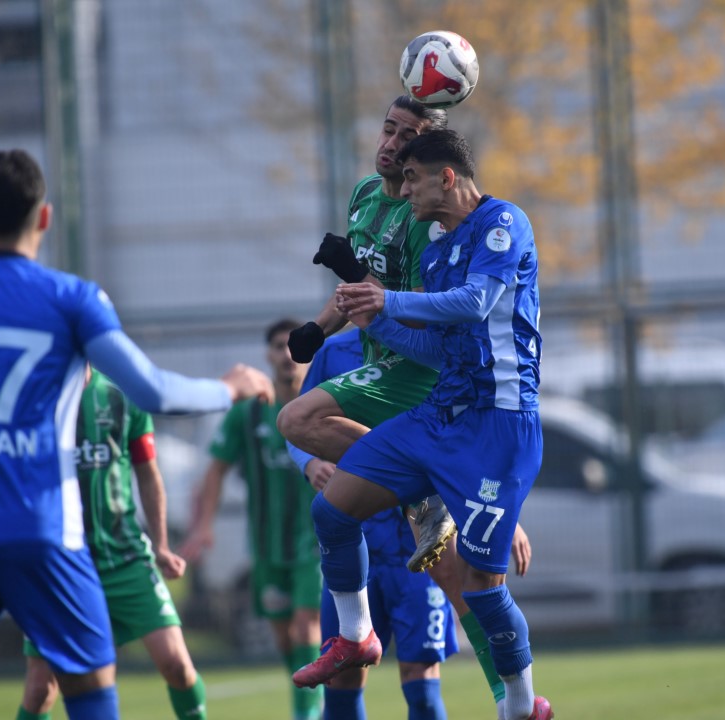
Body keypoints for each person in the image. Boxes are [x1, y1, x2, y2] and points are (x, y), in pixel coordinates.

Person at [0, 149, 273, 720]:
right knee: (89, 690)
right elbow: (154, 392)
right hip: (41, 534)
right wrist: (228, 387)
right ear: (44, 218)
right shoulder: (70, 298)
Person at [277, 95, 534, 717]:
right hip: (422, 397)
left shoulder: (476, 226)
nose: (392, 147)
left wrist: (383, 303)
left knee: (474, 589)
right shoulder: (377, 202)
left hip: (478, 413)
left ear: (437, 171)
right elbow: (382, 304)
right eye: (388, 131)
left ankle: (519, 702)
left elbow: (463, 308)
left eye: (409, 141)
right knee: (317, 475)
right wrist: (332, 323)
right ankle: (356, 633)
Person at [16, 368, 207, 720]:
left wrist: (162, 545)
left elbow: (148, 473)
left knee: (177, 665)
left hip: (125, 558)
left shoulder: (122, 397)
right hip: (61, 567)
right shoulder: (33, 401)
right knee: (41, 689)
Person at [287, 328, 459, 719]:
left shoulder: (427, 343)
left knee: (420, 676)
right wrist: (310, 463)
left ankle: (517, 695)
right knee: (342, 678)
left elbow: (462, 432)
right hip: (355, 541)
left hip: (418, 542)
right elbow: (298, 423)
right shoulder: (334, 352)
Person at [179, 318, 323, 720]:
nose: (287, 355)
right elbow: (215, 470)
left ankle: (308, 712)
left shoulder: (325, 404)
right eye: (279, 346)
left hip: (314, 541)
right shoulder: (248, 414)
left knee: (305, 626)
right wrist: (203, 525)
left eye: (294, 347)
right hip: (266, 543)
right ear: (268, 355)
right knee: (283, 634)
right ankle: (308, 694)